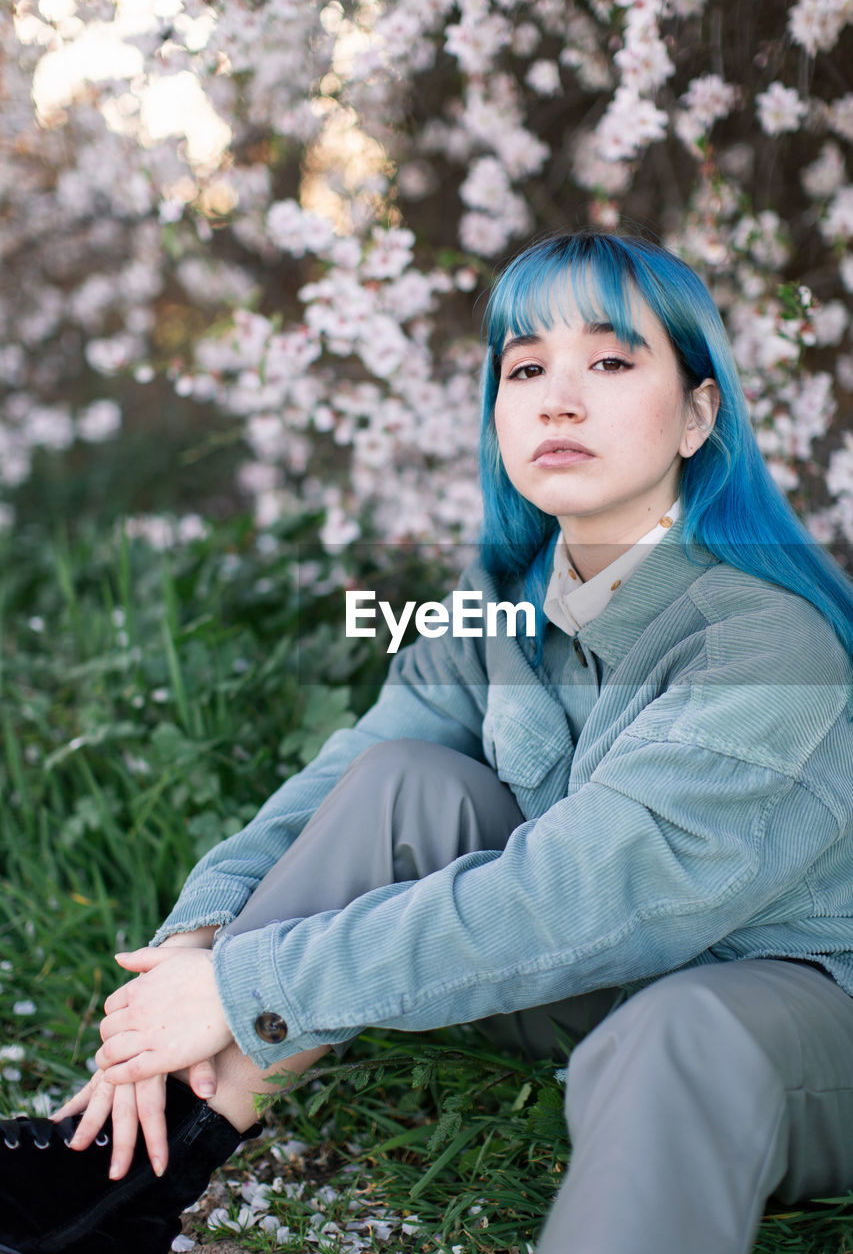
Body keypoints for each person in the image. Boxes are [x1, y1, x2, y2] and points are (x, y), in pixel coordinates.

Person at [3, 230, 853, 1254]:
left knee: (680, 1030)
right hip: (598, 974)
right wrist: (202, 936)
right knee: (403, 776)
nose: (558, 399)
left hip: (788, 1014)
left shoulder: (765, 640)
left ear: (699, 413)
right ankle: (122, 1174)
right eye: (526, 368)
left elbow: (590, 890)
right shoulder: (502, 599)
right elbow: (346, 779)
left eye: (612, 362)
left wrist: (246, 982)